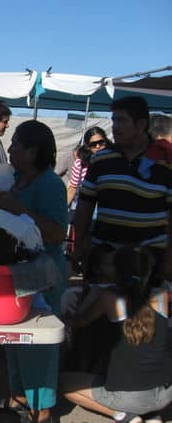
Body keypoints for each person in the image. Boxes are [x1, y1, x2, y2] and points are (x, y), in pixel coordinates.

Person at [0, 120, 68, 423]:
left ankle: (42, 410)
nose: (9, 149)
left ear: (33, 150)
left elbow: (55, 233)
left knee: (37, 343)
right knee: (15, 340)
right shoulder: (11, 178)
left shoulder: (50, 185)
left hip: (43, 274)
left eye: (16, 144)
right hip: (14, 273)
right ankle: (19, 398)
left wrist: (16, 209)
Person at [60, 246, 171, 423]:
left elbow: (80, 321)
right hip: (164, 395)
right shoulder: (162, 297)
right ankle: (148, 414)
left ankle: (123, 416)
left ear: (117, 272)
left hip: (130, 397)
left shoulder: (110, 298)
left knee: (62, 382)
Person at [73, 96, 172, 312]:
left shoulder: (165, 163)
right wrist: (79, 244)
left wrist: (168, 260)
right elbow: (85, 207)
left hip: (148, 264)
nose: (114, 127)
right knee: (98, 329)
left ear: (141, 124)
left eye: (121, 121)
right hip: (105, 262)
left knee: (146, 333)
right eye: (113, 120)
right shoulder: (101, 160)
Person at [66, 126, 111, 206]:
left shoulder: (115, 161)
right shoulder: (80, 164)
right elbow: (73, 188)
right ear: (87, 147)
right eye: (93, 144)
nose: (98, 146)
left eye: (101, 142)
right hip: (86, 205)